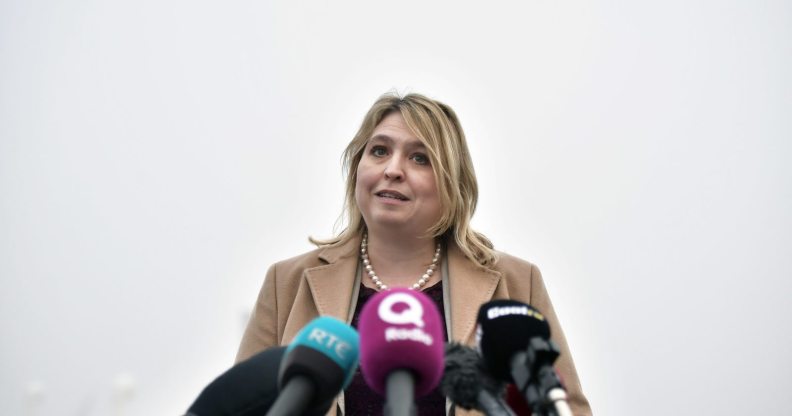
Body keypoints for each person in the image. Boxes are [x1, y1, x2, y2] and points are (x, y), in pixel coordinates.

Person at [236, 92, 593, 415]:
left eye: (419, 158)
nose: (392, 170)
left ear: (452, 182)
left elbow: (567, 409)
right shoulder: (287, 283)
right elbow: (242, 406)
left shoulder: (517, 283)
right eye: (379, 151)